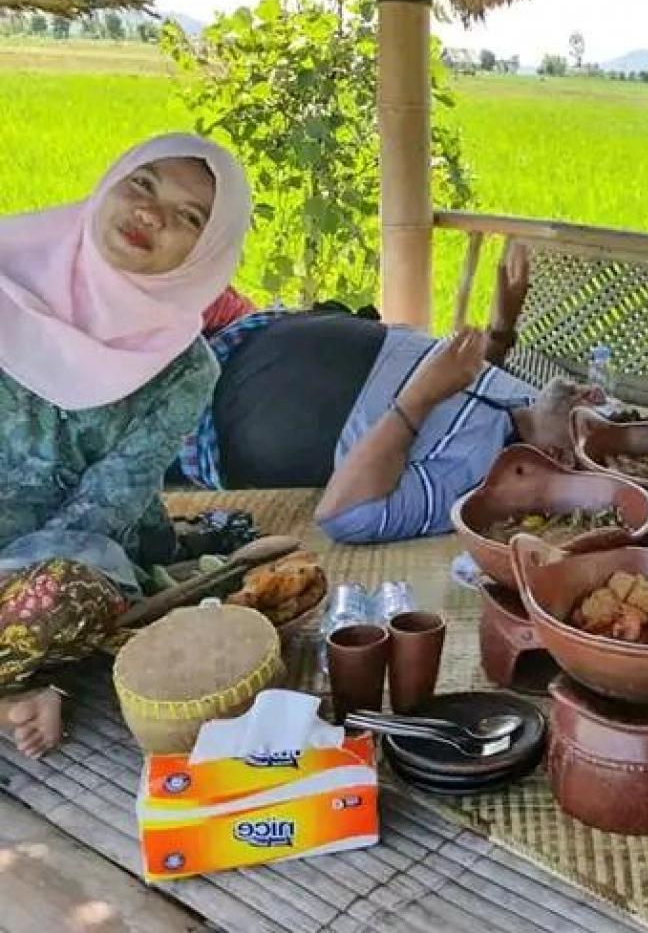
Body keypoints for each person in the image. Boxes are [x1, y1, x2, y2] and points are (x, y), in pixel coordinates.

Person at [0, 134, 249, 759]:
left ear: (207, 253)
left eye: (188, 217)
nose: (151, 215)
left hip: (56, 563)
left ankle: (30, 668)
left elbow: (103, 509)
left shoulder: (185, 370)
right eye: (142, 183)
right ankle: (17, 687)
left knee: (66, 597)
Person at [175, 246, 604, 544]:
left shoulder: (477, 480)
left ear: (560, 456)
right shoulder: (524, 405)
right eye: (611, 405)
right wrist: (501, 330)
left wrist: (419, 398)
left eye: (599, 417)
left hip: (198, 408)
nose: (597, 394)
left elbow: (345, 515)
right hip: (233, 335)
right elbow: (470, 396)